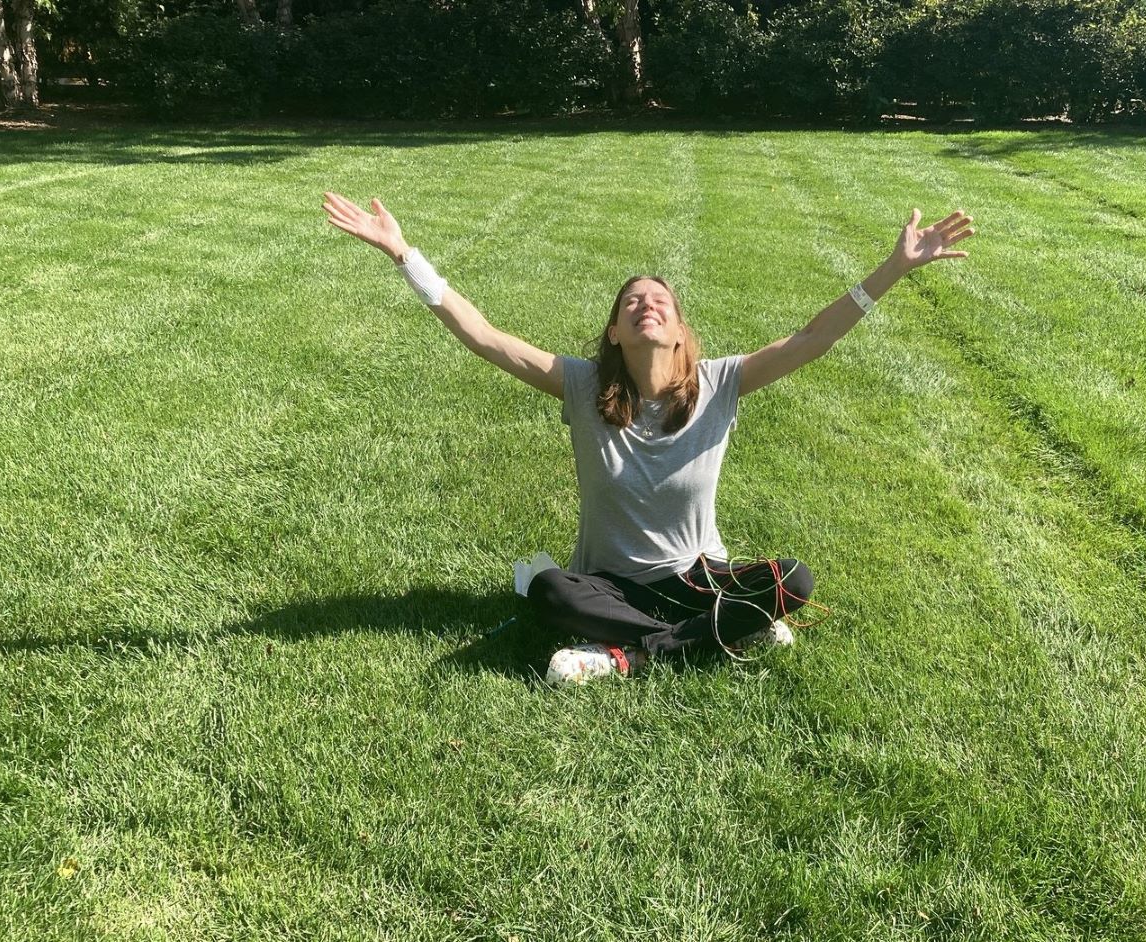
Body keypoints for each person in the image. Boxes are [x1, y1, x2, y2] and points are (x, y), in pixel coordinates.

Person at [321, 190, 973, 684]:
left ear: (681, 331)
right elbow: (484, 336)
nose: (646, 304)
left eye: (659, 299)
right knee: (551, 589)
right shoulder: (578, 385)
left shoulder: (720, 384)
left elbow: (811, 339)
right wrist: (404, 254)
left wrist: (892, 270)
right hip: (611, 584)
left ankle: (634, 652)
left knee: (792, 580)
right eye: (630, 302)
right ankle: (716, 637)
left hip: (698, 577)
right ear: (614, 332)